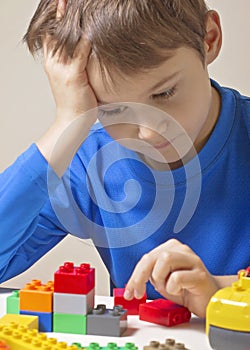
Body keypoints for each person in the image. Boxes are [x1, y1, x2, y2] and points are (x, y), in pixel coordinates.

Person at [0, 0, 249, 319]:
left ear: (209, 38)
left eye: (164, 93)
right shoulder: (90, 164)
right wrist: (67, 123)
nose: (146, 132)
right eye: (113, 110)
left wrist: (221, 292)